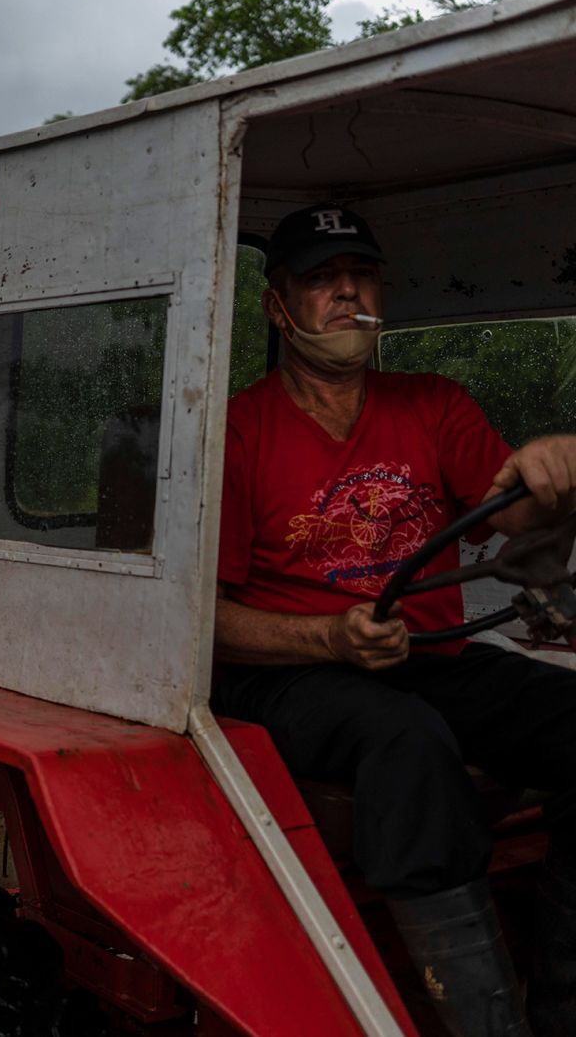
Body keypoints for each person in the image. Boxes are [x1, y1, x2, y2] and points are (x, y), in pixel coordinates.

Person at [213, 203, 576, 1035]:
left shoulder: (434, 403)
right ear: (279, 308)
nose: (347, 292)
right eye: (319, 280)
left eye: (362, 274)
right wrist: (327, 636)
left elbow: (514, 518)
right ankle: (484, 1021)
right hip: (289, 674)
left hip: (422, 655)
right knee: (406, 739)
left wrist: (553, 465)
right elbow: (209, 623)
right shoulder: (237, 432)